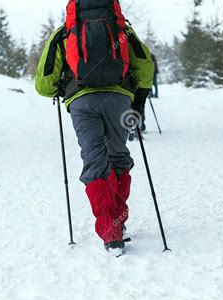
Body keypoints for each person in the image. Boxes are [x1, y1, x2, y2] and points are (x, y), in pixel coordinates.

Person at [35, 0, 154, 256]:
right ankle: (118, 222)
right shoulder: (122, 28)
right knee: (118, 157)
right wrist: (139, 96)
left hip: (82, 102)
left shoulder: (66, 31)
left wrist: (63, 87)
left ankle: (109, 233)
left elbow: (43, 84)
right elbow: (145, 66)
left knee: (94, 161)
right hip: (118, 98)